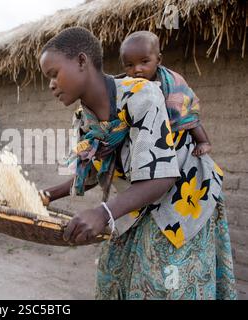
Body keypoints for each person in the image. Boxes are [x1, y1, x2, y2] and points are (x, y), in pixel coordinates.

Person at [38, 27, 236, 299]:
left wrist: (103, 212)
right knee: (112, 277)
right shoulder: (85, 119)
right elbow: (92, 172)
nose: (50, 84)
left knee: (164, 285)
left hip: (183, 199)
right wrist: (46, 195)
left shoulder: (141, 94)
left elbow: (162, 176)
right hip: (138, 202)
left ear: (82, 61)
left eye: (53, 74)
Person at [119, 30, 211, 157]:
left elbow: (177, 108)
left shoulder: (170, 83)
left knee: (190, 119)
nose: (137, 69)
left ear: (158, 60)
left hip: (179, 105)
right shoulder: (127, 83)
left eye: (144, 62)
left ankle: (203, 141)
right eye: (129, 65)